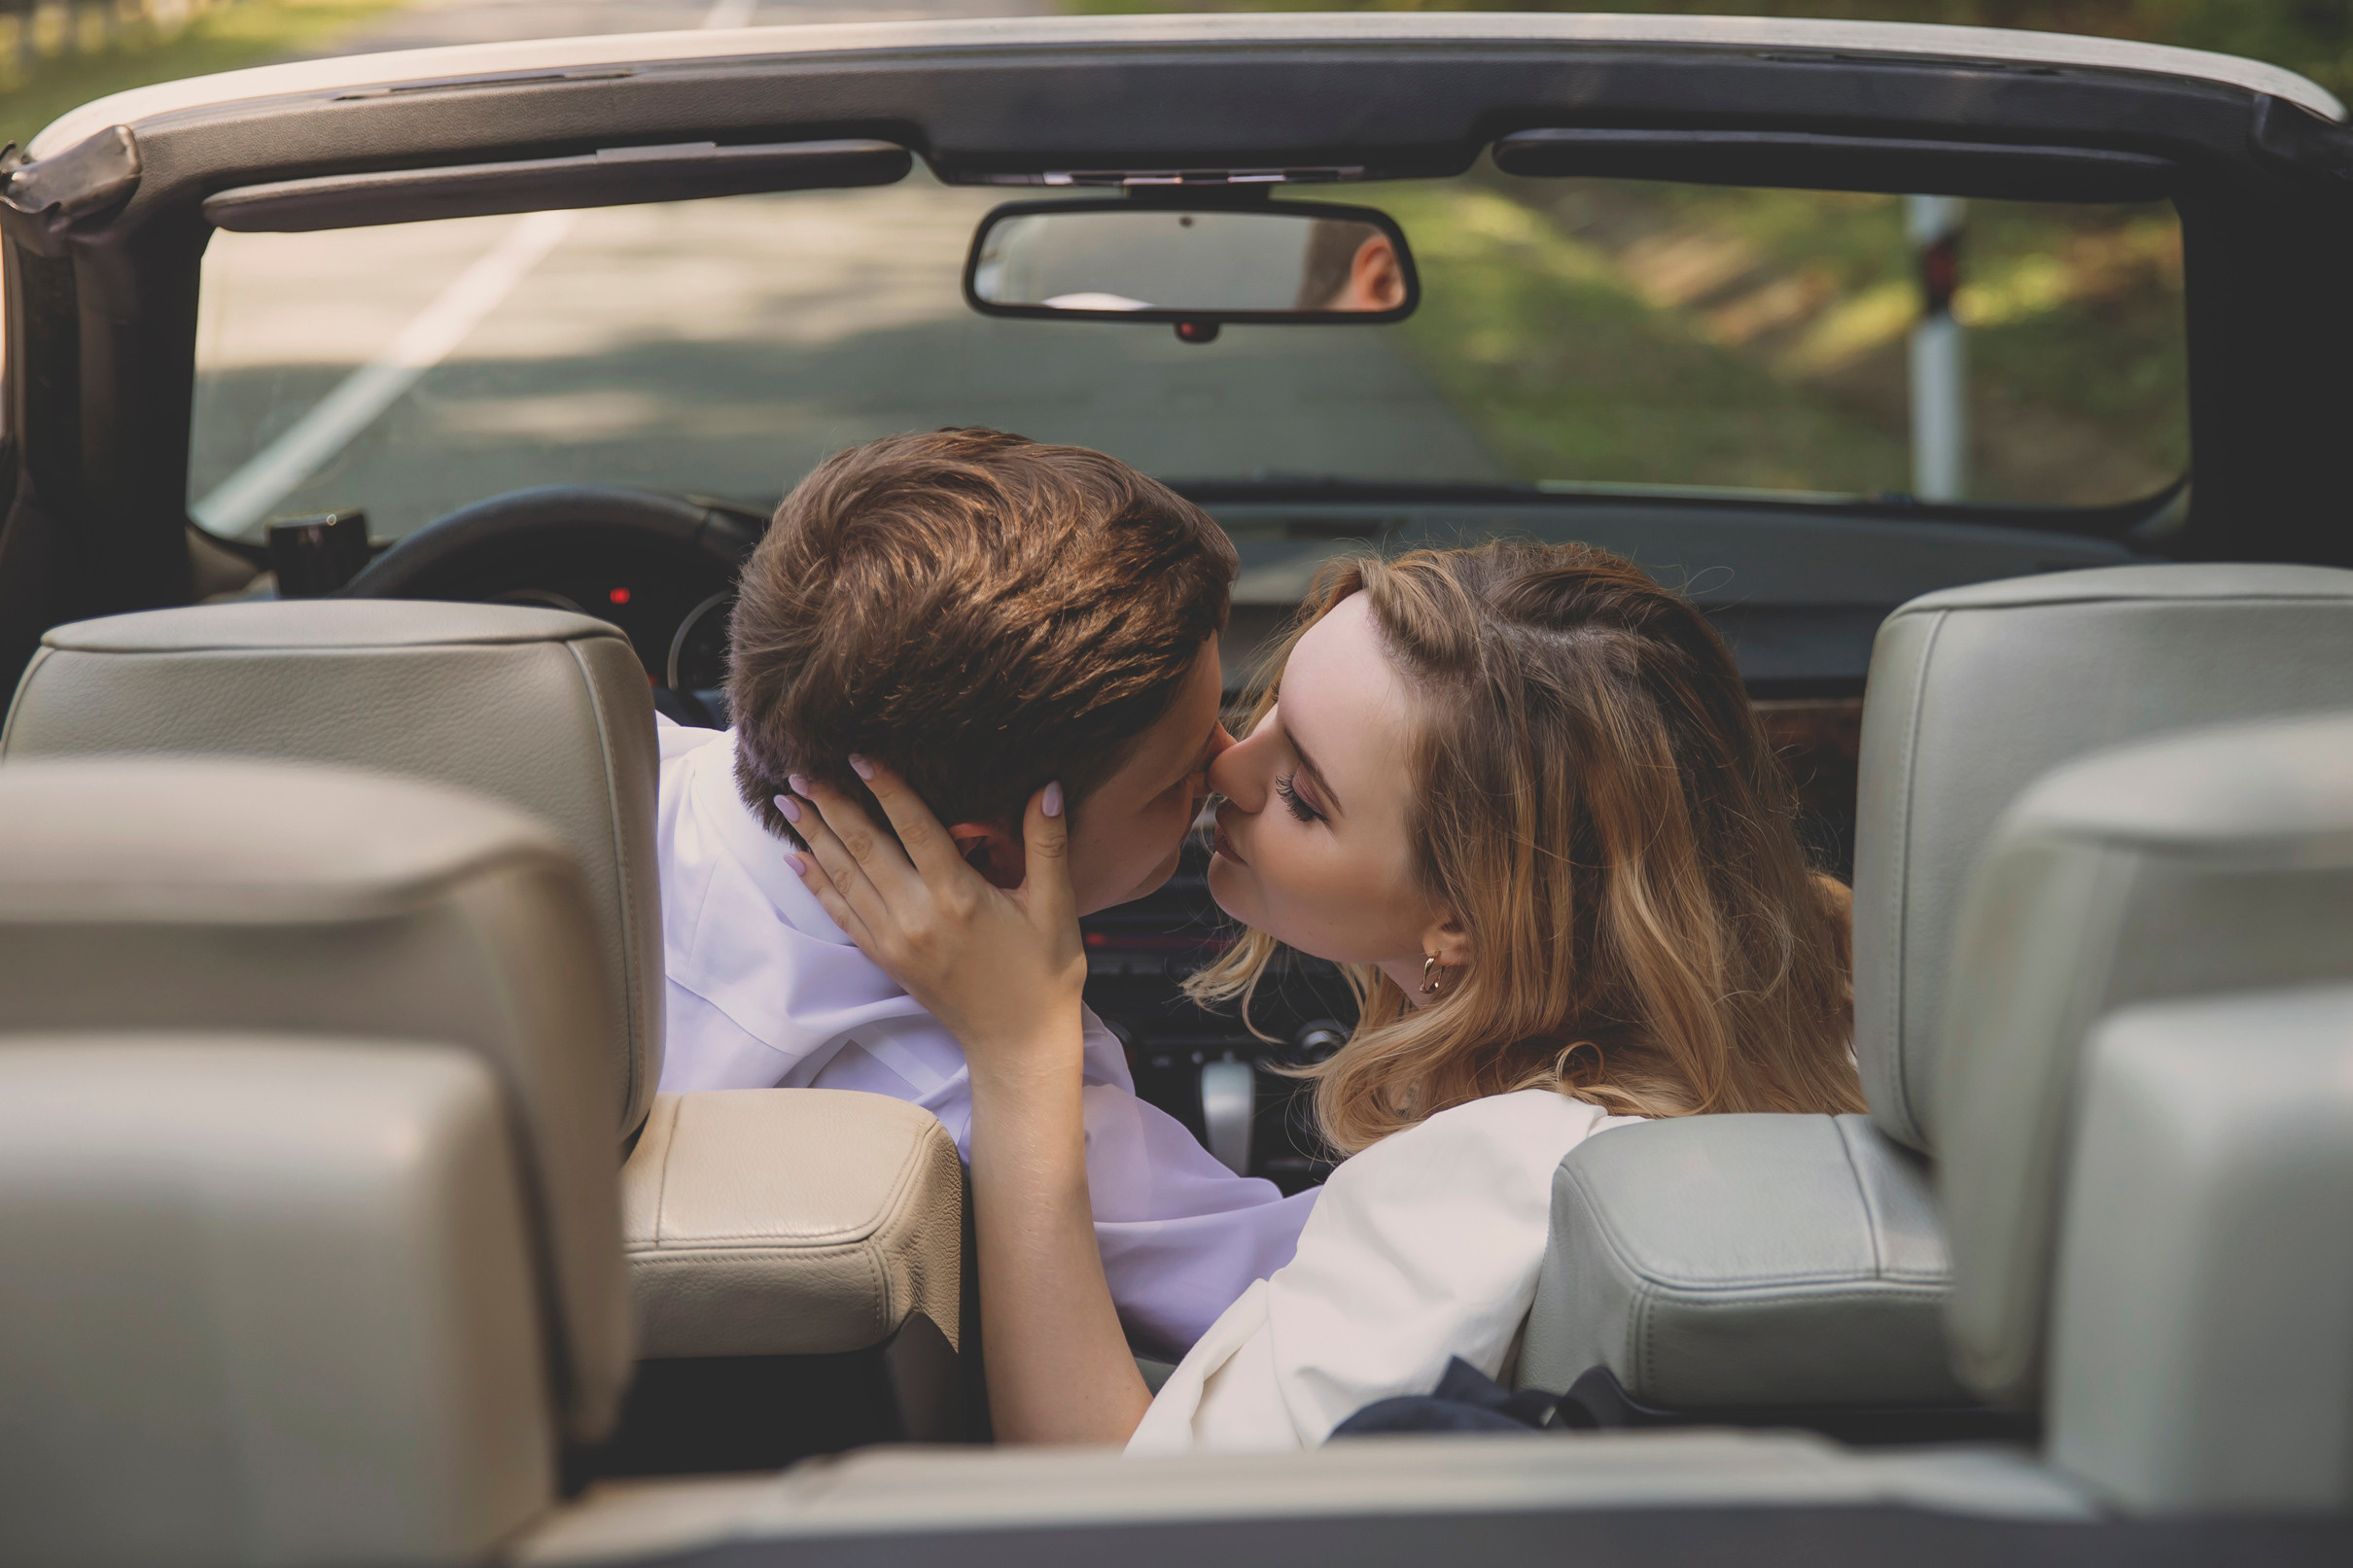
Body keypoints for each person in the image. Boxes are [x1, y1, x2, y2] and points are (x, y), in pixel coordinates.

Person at [780, 540, 1865, 1452]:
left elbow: (1125, 1516)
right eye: (1266, 709)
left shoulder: (1487, 1177)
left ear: (1466, 916)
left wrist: (1019, 1049)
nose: (1225, 772)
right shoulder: (1846, 1010)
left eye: (1301, 792)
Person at [655, 428, 1316, 1356]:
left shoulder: (600, 773)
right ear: (992, 855)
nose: (1233, 767)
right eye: (1176, 777)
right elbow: (1333, 1295)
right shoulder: (976, 1106)